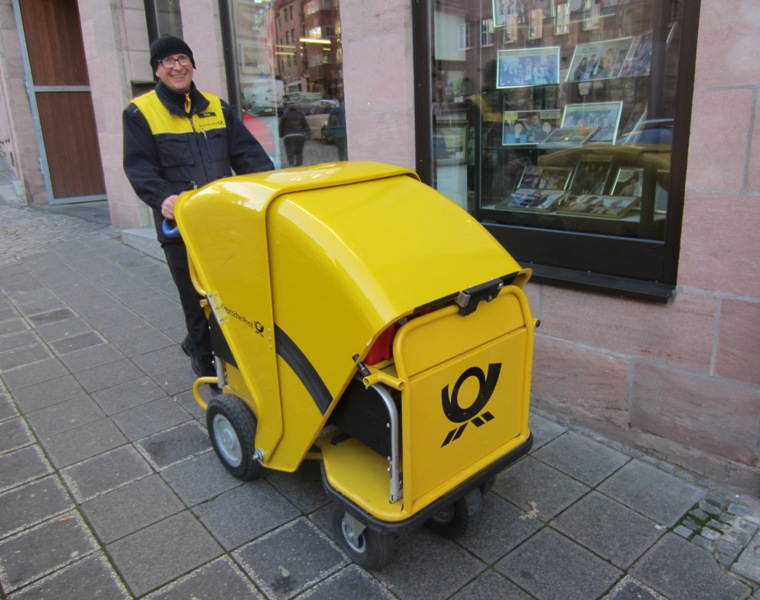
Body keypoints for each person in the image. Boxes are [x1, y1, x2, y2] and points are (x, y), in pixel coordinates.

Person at [122, 35, 273, 383]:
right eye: (167, 61)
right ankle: (204, 361)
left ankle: (222, 350)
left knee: (229, 293)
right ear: (157, 70)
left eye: (182, 58)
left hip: (220, 222)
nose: (177, 66)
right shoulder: (139, 112)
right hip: (182, 224)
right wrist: (163, 198)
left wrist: (270, 188)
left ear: (192, 63)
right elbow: (139, 166)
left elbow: (248, 155)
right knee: (195, 297)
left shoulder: (217, 108)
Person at [278, 101, 310, 166]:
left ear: (288, 108)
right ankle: (299, 165)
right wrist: (308, 134)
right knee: (299, 152)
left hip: (288, 136)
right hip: (300, 135)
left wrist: (281, 135)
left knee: (290, 152)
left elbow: (281, 127)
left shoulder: (285, 116)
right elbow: (305, 125)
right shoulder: (300, 114)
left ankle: (291, 164)